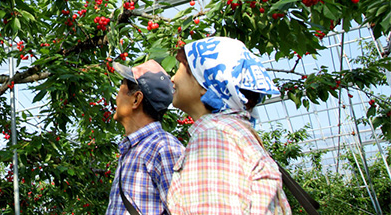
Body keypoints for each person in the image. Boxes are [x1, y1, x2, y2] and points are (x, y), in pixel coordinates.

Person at [166, 36, 291, 214]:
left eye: (180, 69)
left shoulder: (214, 138)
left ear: (205, 82)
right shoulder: (233, 133)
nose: (172, 78)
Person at [106, 59, 185, 215]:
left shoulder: (164, 148)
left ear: (136, 99)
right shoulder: (133, 150)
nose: (116, 98)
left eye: (120, 89)